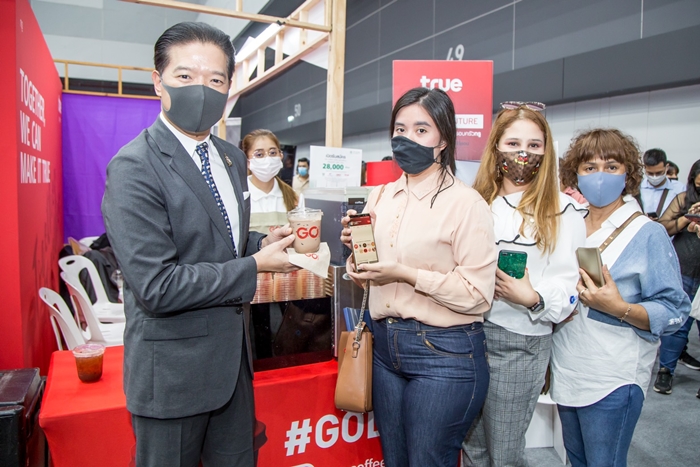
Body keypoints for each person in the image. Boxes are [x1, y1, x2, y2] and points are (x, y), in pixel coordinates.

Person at [101, 22, 297, 467]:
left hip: (233, 369)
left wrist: (262, 241)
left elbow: (222, 239)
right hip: (173, 375)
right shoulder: (134, 167)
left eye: (215, 79)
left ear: (229, 86)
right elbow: (157, 286)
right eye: (185, 76)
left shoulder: (232, 158)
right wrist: (256, 265)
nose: (202, 90)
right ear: (159, 82)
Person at [340, 87, 496, 466]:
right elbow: (367, 275)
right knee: (394, 460)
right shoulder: (379, 196)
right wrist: (357, 261)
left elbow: (478, 295)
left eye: (421, 130)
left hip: (444, 353)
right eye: (400, 129)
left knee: (428, 459)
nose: (406, 138)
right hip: (384, 346)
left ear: (444, 139)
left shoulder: (466, 204)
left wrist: (407, 275)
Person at [552, 128, 690, 467]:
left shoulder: (647, 233)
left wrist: (619, 308)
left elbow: (675, 310)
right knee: (577, 460)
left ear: (627, 174)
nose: (600, 175)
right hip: (567, 366)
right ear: (575, 174)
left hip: (613, 375)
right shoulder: (570, 224)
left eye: (611, 166)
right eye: (589, 167)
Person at [462, 102, 586, 467]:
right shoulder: (475, 202)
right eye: (513, 143)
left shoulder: (563, 211)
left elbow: (570, 283)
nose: (523, 154)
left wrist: (532, 298)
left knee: (504, 452)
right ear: (496, 147)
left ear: (547, 151)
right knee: (471, 445)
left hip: (519, 342)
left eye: (534, 145)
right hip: (466, 335)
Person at [241, 129, 298, 359]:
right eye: (259, 154)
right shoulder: (239, 194)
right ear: (247, 160)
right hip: (251, 279)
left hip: (287, 280)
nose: (267, 159)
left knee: (285, 337)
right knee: (257, 341)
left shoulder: (292, 196)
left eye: (273, 152)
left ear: (281, 156)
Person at [653, 159, 700, 394]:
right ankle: (665, 371)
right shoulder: (683, 200)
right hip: (684, 268)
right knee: (679, 323)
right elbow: (663, 227)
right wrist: (687, 219)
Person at [639, 148, 684, 220]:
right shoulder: (637, 189)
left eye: (659, 173)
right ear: (644, 168)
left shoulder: (679, 189)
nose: (654, 177)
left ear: (667, 167)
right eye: (650, 173)